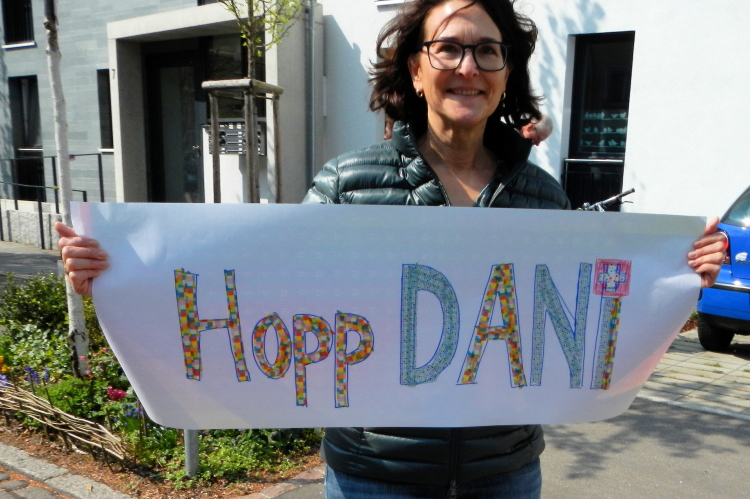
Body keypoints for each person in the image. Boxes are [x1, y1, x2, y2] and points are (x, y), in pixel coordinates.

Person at [57, 0, 727, 496]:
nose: (469, 67)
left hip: (505, 474)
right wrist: (119, 272)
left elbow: (584, 318)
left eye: (488, 51)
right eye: (449, 49)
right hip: (376, 477)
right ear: (416, 68)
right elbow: (267, 292)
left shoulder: (542, 195)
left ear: (506, 72)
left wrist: (677, 279)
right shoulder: (347, 182)